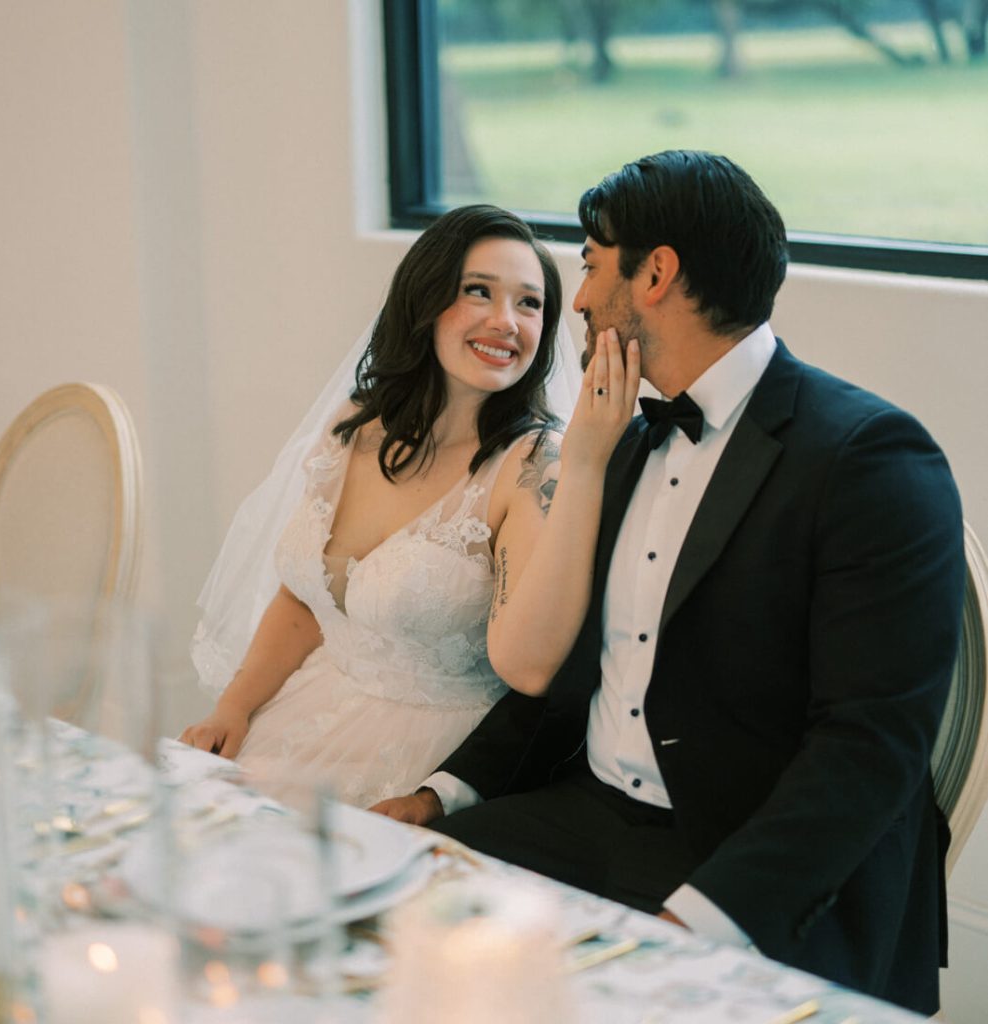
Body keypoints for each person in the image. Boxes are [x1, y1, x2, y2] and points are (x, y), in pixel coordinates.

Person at [373, 153, 966, 1015]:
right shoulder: (620, 434)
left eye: (586, 263)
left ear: (654, 273)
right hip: (584, 815)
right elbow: (568, 675)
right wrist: (443, 793)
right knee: (388, 933)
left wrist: (699, 919)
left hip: (750, 858)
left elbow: (869, 746)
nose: (574, 301)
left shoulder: (869, 458)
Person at [179, 204, 639, 808]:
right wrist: (235, 707)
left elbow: (530, 670)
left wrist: (583, 466)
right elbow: (303, 600)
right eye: (479, 292)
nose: (506, 322)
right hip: (304, 713)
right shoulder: (356, 425)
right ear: (424, 301)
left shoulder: (533, 464)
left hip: (425, 761)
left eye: (529, 304)